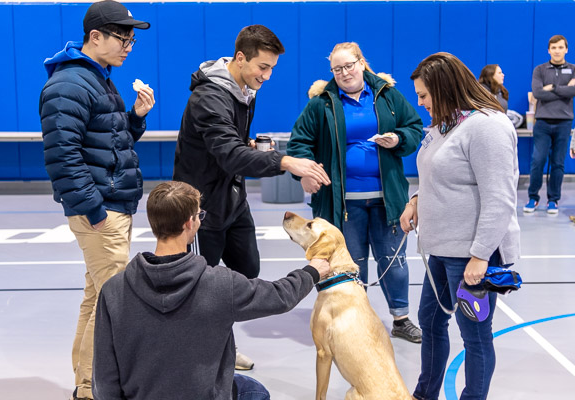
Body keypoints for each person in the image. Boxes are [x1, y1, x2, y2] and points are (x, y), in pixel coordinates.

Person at [172, 24, 330, 368]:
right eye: (263, 67)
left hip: (232, 199)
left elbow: (229, 147)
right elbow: (227, 153)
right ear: (240, 58)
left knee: (247, 270)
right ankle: (207, 354)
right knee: (201, 285)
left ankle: (218, 340)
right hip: (200, 208)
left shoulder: (244, 90)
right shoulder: (209, 97)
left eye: (272, 68)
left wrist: (252, 149)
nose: (268, 76)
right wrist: (286, 161)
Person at [92, 181, 330, 399]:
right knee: (254, 391)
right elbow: (280, 297)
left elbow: (104, 378)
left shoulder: (113, 290)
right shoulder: (220, 283)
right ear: (189, 223)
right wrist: (312, 271)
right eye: (199, 215)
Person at [39, 1, 154, 398]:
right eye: (123, 38)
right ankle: (92, 389)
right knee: (114, 304)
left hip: (112, 206)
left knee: (96, 299)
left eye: (131, 40)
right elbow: (62, 156)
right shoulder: (69, 84)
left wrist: (135, 118)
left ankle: (86, 384)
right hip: (101, 212)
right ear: (96, 37)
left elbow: (108, 144)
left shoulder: (97, 78)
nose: (128, 46)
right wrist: (94, 210)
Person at [401, 52, 520, 400]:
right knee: (431, 322)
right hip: (440, 250)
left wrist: (481, 256)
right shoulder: (445, 124)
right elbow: (441, 173)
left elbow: (499, 198)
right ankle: (425, 394)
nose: (420, 102)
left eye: (424, 95)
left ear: (445, 88)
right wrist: (417, 199)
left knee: (475, 337)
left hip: (471, 257)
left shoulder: (487, 127)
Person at [286, 42, 423, 343]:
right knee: (350, 264)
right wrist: (305, 173)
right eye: (337, 69)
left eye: (349, 65)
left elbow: (414, 128)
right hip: (341, 203)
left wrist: (397, 138)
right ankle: (353, 321)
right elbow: (299, 144)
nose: (344, 73)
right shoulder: (320, 103)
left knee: (394, 262)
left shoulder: (387, 96)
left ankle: (400, 320)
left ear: (362, 63)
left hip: (389, 200)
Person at [524, 35, 575, 214]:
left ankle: (553, 200)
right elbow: (537, 93)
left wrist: (552, 88)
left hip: (564, 122)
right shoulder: (539, 70)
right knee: (537, 161)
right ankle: (533, 198)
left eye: (560, 47)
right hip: (543, 122)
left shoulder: (573, 69)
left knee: (558, 163)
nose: (557, 51)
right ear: (548, 50)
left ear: (566, 49)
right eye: (553, 48)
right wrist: (564, 90)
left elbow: (574, 91)